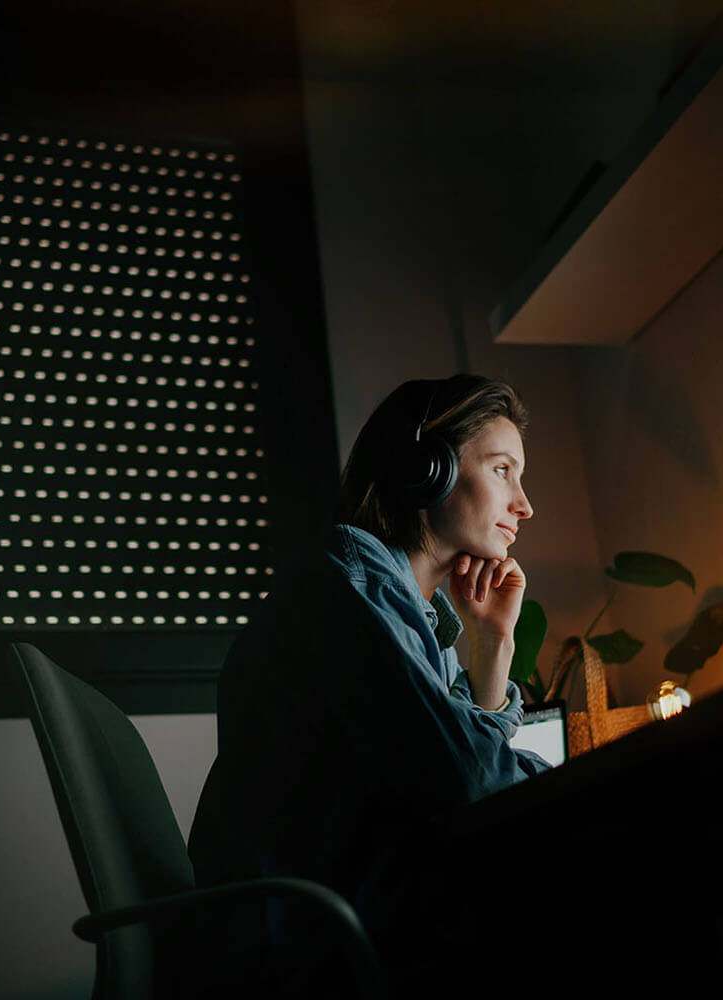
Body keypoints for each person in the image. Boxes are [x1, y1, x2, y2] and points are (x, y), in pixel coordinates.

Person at [185, 374, 550, 996]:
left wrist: (490, 652)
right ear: (424, 469)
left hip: (338, 919)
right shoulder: (350, 590)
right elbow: (470, 783)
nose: (525, 504)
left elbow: (464, 780)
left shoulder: (398, 611)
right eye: (502, 470)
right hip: (305, 947)